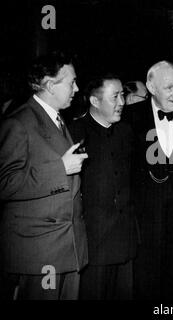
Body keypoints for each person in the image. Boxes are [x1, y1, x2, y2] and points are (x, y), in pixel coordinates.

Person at [0, 51, 88, 300]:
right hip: (39, 254)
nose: (76, 88)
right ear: (50, 85)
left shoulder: (57, 119)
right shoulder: (18, 123)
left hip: (66, 249)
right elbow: (5, 183)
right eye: (71, 82)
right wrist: (60, 169)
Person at [122, 61, 173, 299]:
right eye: (169, 88)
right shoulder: (129, 117)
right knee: (147, 284)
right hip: (144, 221)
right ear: (150, 87)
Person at [69, 75, 139, 299]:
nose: (122, 102)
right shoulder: (74, 133)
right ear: (95, 101)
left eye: (123, 95)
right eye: (115, 97)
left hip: (125, 240)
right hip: (94, 244)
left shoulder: (126, 131)